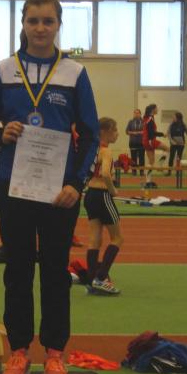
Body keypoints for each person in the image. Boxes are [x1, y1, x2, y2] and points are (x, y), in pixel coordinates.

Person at [0, 0, 100, 374]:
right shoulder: (3, 70)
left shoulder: (75, 73)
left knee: (55, 273)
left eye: (48, 21)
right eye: (33, 21)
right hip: (12, 186)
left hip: (59, 193)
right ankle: (18, 351)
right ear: (23, 24)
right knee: (17, 270)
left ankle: (55, 354)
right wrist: (1, 133)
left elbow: (92, 134)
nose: (41, 28)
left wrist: (76, 184)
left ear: (58, 25)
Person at [84, 117, 124, 296]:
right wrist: (112, 190)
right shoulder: (106, 151)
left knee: (94, 240)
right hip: (102, 195)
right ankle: (100, 279)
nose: (117, 134)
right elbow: (106, 173)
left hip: (90, 195)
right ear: (105, 132)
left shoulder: (93, 149)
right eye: (115, 130)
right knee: (117, 238)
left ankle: (91, 279)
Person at [141, 103, 168, 184]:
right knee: (167, 149)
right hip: (150, 141)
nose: (157, 110)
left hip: (145, 141)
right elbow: (152, 133)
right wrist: (162, 134)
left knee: (151, 162)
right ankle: (160, 164)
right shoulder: (150, 119)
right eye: (156, 108)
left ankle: (148, 181)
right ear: (153, 110)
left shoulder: (147, 118)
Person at [166, 111, 187, 176]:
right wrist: (172, 141)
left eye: (174, 116)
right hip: (173, 144)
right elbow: (168, 134)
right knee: (171, 157)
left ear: (178, 118)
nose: (173, 118)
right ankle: (169, 172)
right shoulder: (171, 125)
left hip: (181, 145)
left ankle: (178, 172)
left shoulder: (183, 125)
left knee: (179, 159)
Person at [125, 108, 144, 175]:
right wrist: (133, 133)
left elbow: (145, 131)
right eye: (135, 113)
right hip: (133, 142)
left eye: (137, 113)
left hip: (141, 143)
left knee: (141, 158)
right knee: (133, 158)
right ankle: (134, 171)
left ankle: (141, 171)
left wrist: (140, 132)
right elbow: (127, 131)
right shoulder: (131, 122)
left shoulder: (143, 122)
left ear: (140, 114)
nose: (136, 114)